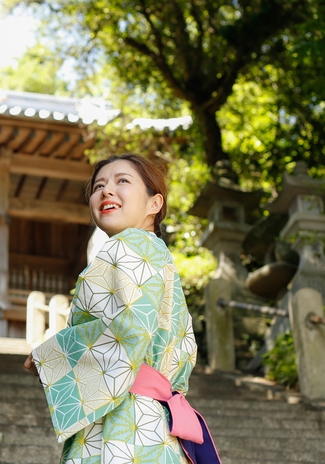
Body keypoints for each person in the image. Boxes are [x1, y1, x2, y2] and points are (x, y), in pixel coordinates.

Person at [24, 153, 221, 464]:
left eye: (122, 181)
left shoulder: (128, 246)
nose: (106, 191)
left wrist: (53, 358)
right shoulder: (156, 253)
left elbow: (130, 327)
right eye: (98, 185)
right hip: (154, 423)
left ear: (154, 204)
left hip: (123, 424)